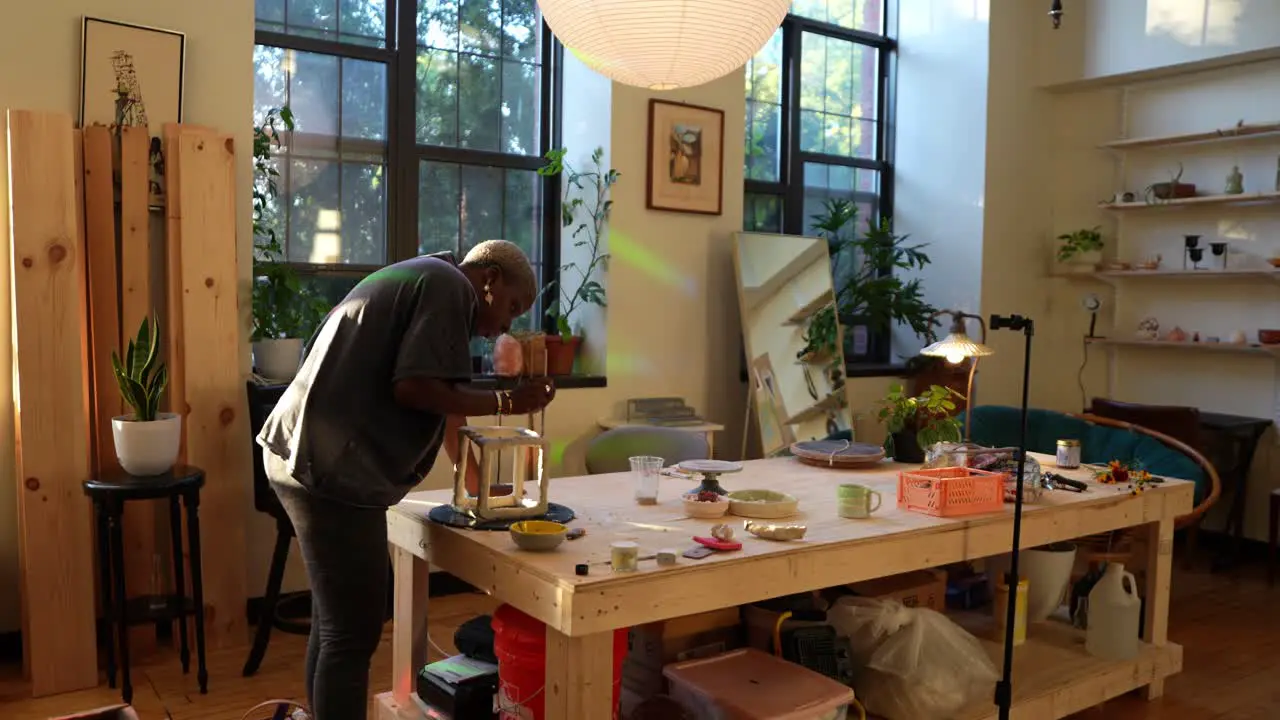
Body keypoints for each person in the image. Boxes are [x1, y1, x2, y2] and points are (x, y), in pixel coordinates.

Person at [257, 240, 556, 719]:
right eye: (512, 307)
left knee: (338, 623)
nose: (507, 326)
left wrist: (476, 486)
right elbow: (415, 389)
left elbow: (446, 401)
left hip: (304, 455)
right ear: (490, 279)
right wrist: (508, 402)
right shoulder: (449, 287)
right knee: (352, 633)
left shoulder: (432, 280)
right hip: (331, 470)